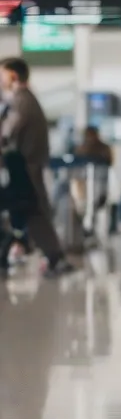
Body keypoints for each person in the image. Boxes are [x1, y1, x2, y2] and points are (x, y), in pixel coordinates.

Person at [0, 58, 74, 277]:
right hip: (26, 168)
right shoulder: (25, 100)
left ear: (13, 75)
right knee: (34, 211)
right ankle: (52, 255)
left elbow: (6, 134)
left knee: (35, 211)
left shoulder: (22, 101)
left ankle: (54, 256)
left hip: (25, 169)